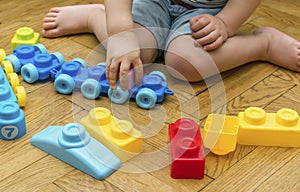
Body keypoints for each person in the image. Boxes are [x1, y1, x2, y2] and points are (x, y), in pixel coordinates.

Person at [42, 0, 300, 89]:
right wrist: (121, 33)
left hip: (207, 13)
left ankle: (262, 44)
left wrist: (226, 22)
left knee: (187, 64)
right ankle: (95, 16)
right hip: (155, 3)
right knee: (134, 53)